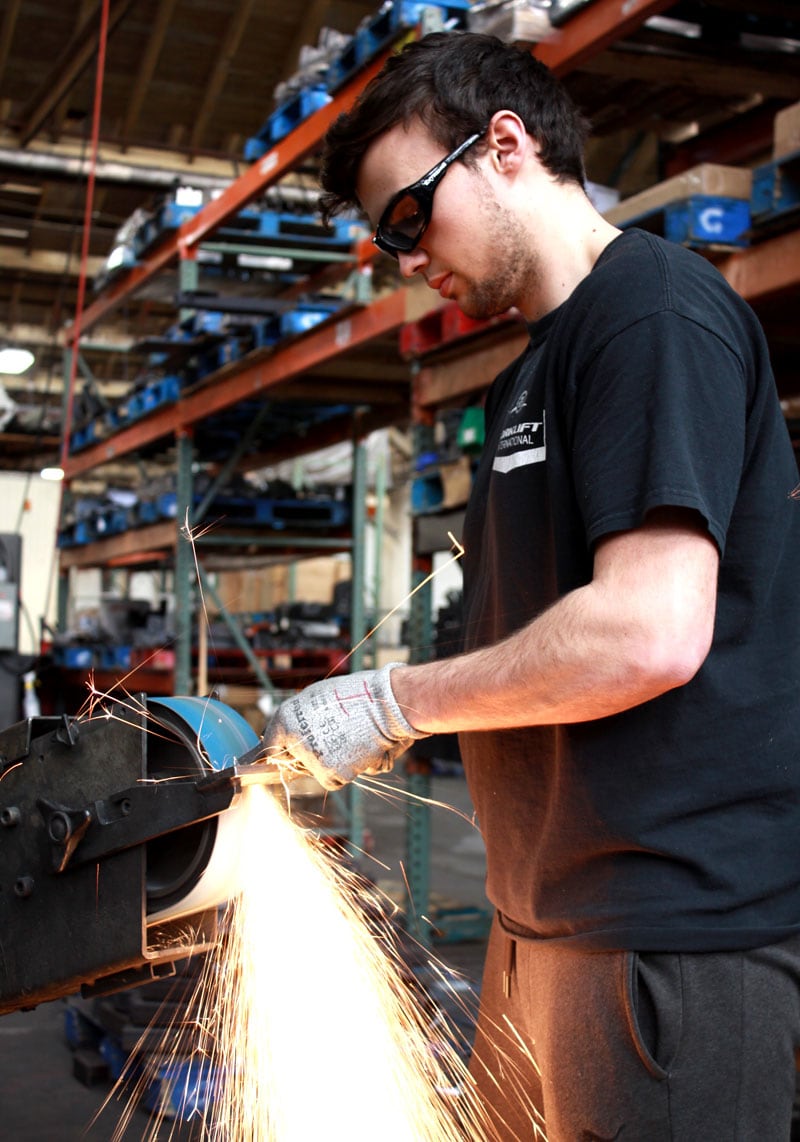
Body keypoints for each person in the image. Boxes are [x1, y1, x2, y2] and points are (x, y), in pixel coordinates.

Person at [261, 31, 800, 1141]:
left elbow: (648, 630)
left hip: (665, 938)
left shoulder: (650, 313)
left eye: (410, 215)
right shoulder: (526, 376)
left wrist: (394, 700)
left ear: (502, 144)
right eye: (385, 240)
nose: (408, 258)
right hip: (542, 925)